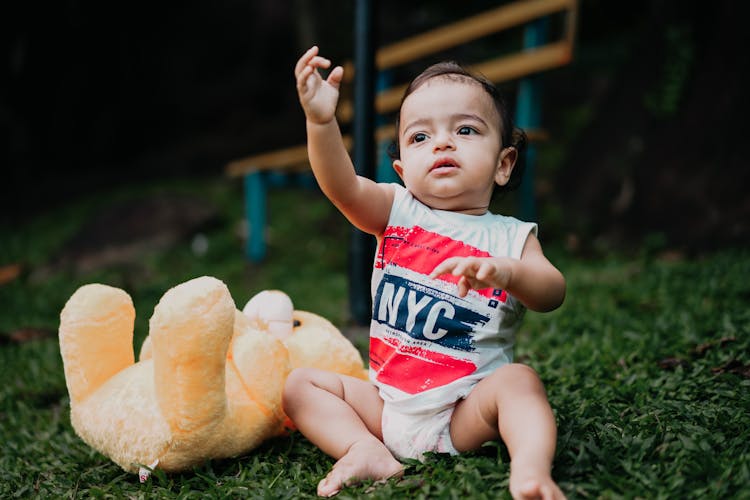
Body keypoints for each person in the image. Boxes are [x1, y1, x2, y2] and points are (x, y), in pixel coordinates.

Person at [284, 45, 567, 500]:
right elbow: (341, 186)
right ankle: (363, 449)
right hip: (387, 407)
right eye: (420, 137)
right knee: (301, 385)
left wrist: (508, 273)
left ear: (503, 164)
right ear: (401, 170)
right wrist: (321, 123)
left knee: (519, 382)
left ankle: (530, 472)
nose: (442, 143)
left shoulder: (511, 238)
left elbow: (552, 291)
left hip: (464, 412)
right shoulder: (396, 210)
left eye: (466, 130)